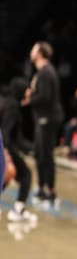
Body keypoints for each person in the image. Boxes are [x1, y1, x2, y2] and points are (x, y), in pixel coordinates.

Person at [22, 41, 64, 206]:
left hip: (47, 119)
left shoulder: (46, 72)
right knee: (40, 154)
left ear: (40, 53)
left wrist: (30, 99)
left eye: (34, 49)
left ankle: (49, 190)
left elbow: (45, 97)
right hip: (42, 118)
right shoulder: (42, 72)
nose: (31, 52)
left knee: (46, 155)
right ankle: (41, 188)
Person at [0, 78, 37, 221]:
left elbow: (18, 138)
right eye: (27, 90)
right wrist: (7, 154)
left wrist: (33, 148)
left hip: (6, 146)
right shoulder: (13, 107)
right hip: (6, 147)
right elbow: (7, 134)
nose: (29, 93)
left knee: (6, 176)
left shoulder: (8, 103)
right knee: (26, 175)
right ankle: (18, 211)